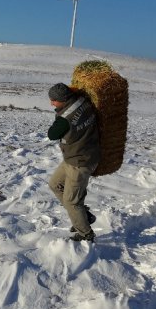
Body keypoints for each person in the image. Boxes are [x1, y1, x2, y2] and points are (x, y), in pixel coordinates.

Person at [46, 83, 101, 242]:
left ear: (63, 100)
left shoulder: (64, 119)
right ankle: (83, 216)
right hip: (76, 155)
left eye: (54, 101)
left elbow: (52, 134)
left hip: (80, 161)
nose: (52, 104)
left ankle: (86, 234)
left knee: (71, 202)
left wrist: (59, 115)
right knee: (55, 184)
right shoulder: (83, 101)